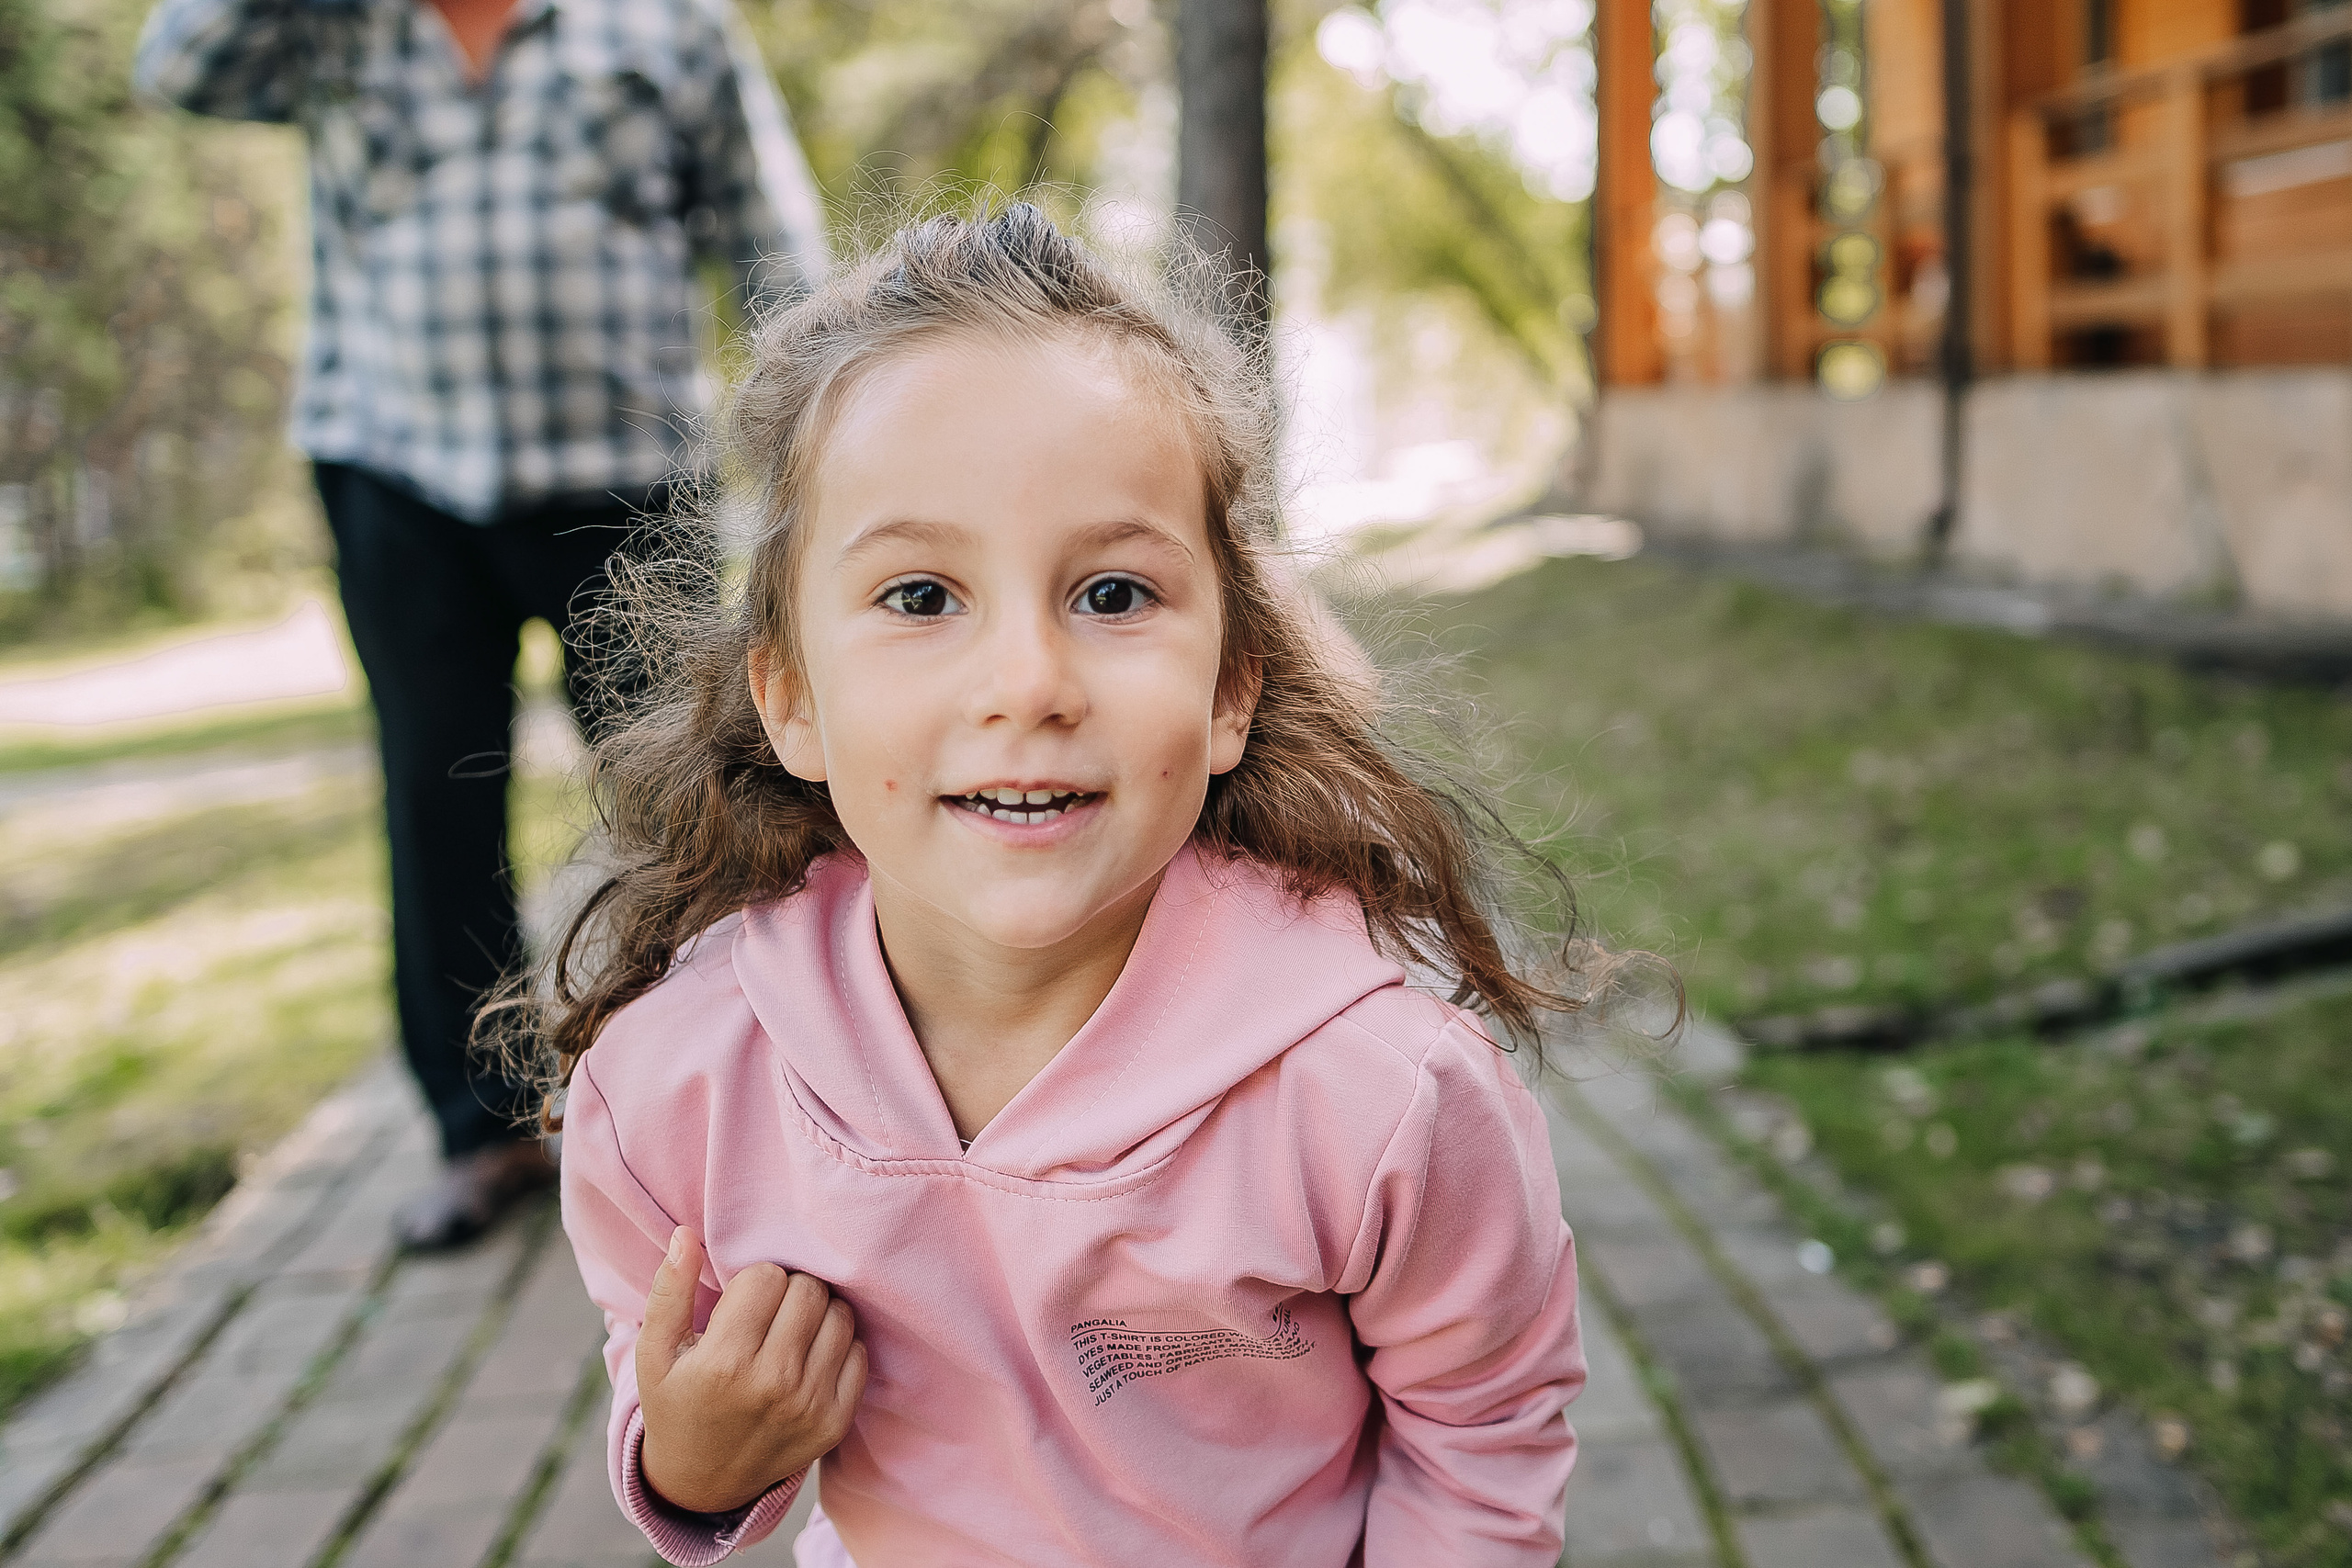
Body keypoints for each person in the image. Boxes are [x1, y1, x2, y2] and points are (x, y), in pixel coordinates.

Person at [542, 205, 1586, 1566]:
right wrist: (687, 1465)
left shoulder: (1383, 1097)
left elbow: (1484, 1432)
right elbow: (656, 1358)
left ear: (1229, 691)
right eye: (921, 597)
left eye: (1110, 595)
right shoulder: (679, 1084)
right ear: (793, 699)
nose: (1028, 684)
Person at [132, 0, 830, 1249]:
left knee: (688, 802)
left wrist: (831, 442)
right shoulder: (330, 25)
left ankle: (737, 1095)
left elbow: (776, 242)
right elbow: (181, 65)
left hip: (624, 474)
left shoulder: (667, 24)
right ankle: (482, 1129)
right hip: (394, 472)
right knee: (435, 799)